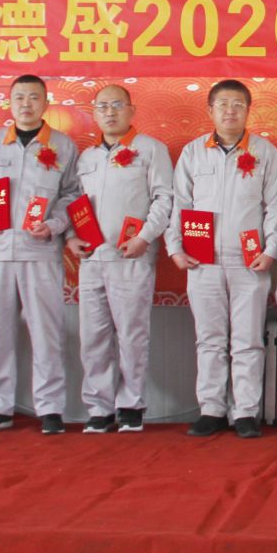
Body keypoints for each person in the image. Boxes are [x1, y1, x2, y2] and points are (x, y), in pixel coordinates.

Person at [0, 74, 82, 434]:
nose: (26, 104)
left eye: (33, 97)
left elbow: (72, 194)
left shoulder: (63, 145)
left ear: (46, 103)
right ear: (10, 103)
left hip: (40, 251)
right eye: (19, 98)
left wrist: (55, 224)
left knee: (47, 332)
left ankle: (50, 408)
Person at [167, 80, 277, 439]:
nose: (230, 110)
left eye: (237, 104)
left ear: (248, 110)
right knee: (210, 339)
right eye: (223, 104)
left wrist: (271, 250)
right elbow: (179, 203)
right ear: (210, 110)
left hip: (250, 260)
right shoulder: (193, 153)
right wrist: (175, 248)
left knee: (248, 339)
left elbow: (275, 207)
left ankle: (245, 412)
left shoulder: (265, 152)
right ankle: (212, 409)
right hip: (202, 260)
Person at [67, 84, 173, 434]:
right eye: (102, 106)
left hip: (132, 257)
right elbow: (74, 204)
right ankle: (99, 407)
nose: (109, 112)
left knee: (132, 334)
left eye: (116, 105)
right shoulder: (87, 157)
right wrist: (71, 237)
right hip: (92, 259)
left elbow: (164, 199)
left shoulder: (150, 149)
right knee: (93, 335)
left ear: (131, 110)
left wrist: (145, 237)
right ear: (94, 112)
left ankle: (131, 405)